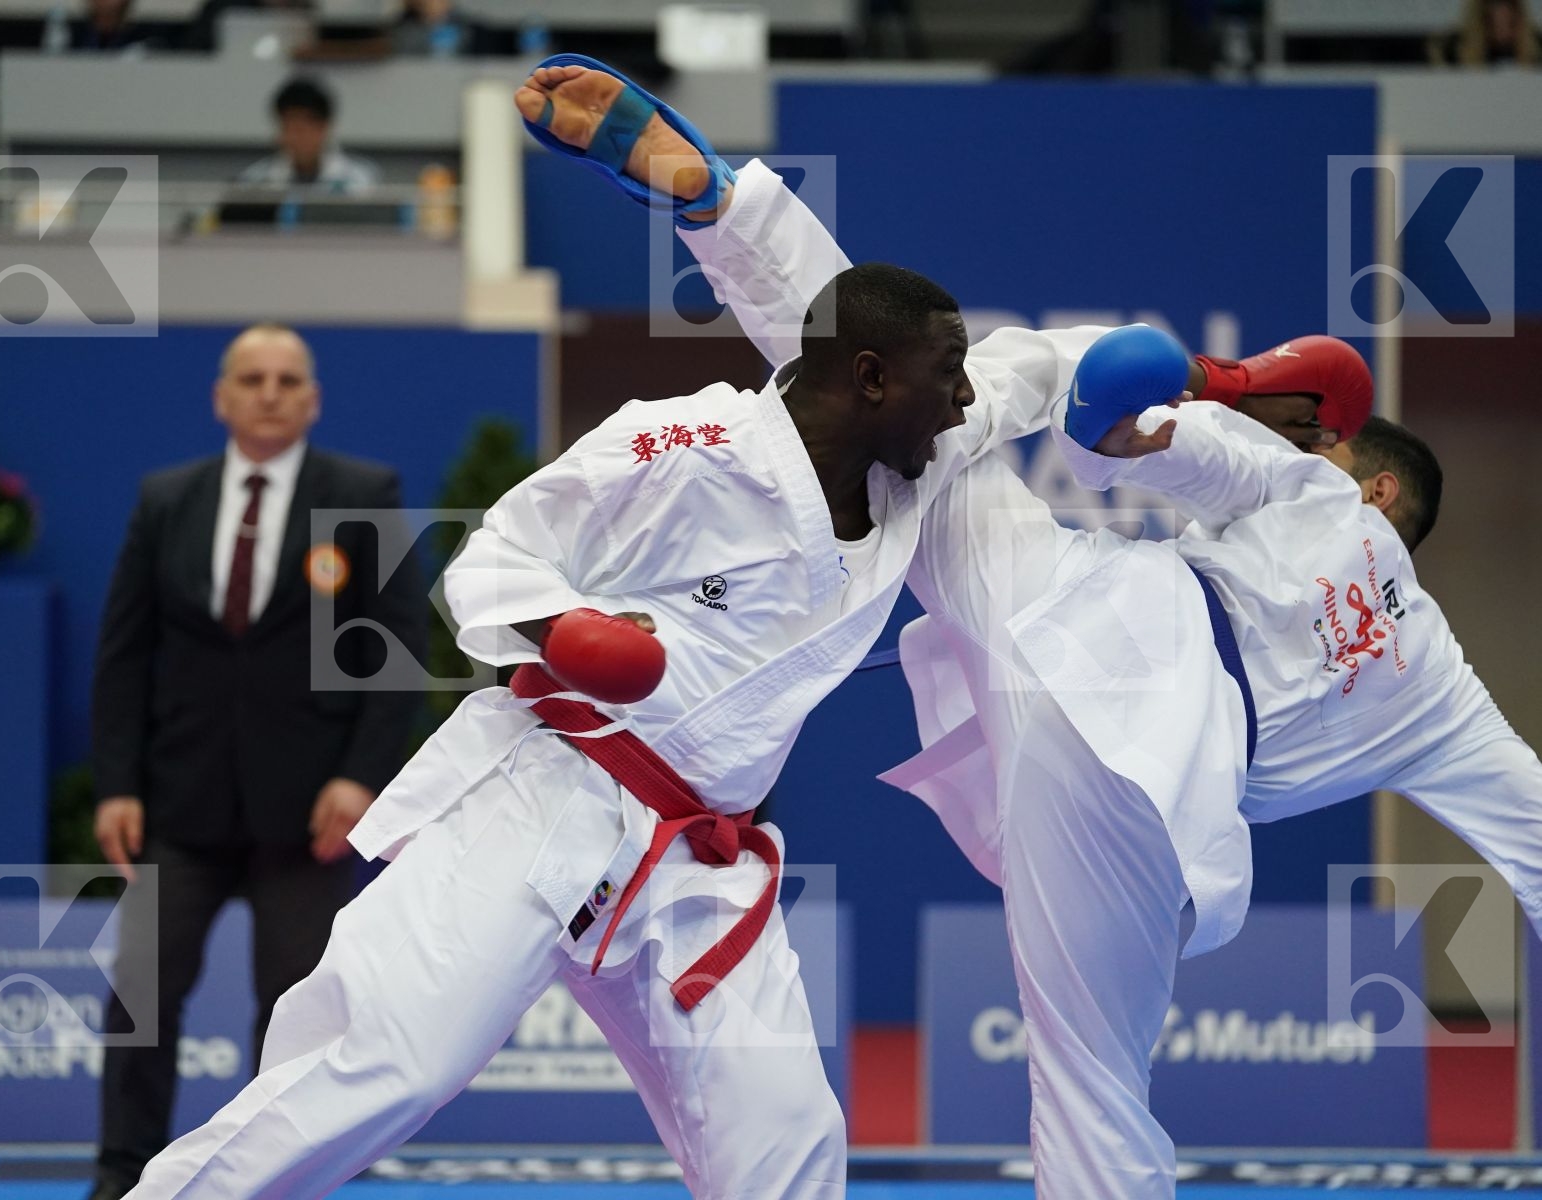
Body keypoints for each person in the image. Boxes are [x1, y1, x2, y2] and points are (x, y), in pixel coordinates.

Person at [118, 61, 1135, 1199]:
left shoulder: (922, 453)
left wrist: (1193, 379)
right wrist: (564, 632)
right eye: (941, 376)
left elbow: (1021, 370)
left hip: (696, 861)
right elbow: (490, 557)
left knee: (788, 1138)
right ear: (866, 381)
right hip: (544, 795)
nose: (962, 401)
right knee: (386, 1069)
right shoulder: (683, 448)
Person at [612, 65, 1541, 1197]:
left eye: (1336, 450)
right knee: (1091, 1092)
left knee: (910, 417)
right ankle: (726, 209)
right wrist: (1197, 395)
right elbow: (1127, 426)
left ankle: (720, 203)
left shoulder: (1337, 517)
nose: (1319, 454)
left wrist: (1192, 392)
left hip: (1098, 667)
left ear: (1380, 493)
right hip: (1135, 764)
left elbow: (1117, 417)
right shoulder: (1431, 679)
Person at [88, 323, 425, 1200]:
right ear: (222, 397)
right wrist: (118, 783)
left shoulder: (363, 492)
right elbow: (125, 651)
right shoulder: (166, 499)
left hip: (310, 809)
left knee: (294, 1015)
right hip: (179, 804)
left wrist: (359, 779)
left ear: (312, 399)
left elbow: (395, 651)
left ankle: (278, 1180)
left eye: (286, 379)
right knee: (137, 1002)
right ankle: (123, 1176)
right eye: (252, 378)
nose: (269, 392)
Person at [234, 78, 379, 195]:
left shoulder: (360, 181)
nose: (296, 138)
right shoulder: (254, 182)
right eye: (288, 128)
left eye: (302, 129)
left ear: (325, 128)